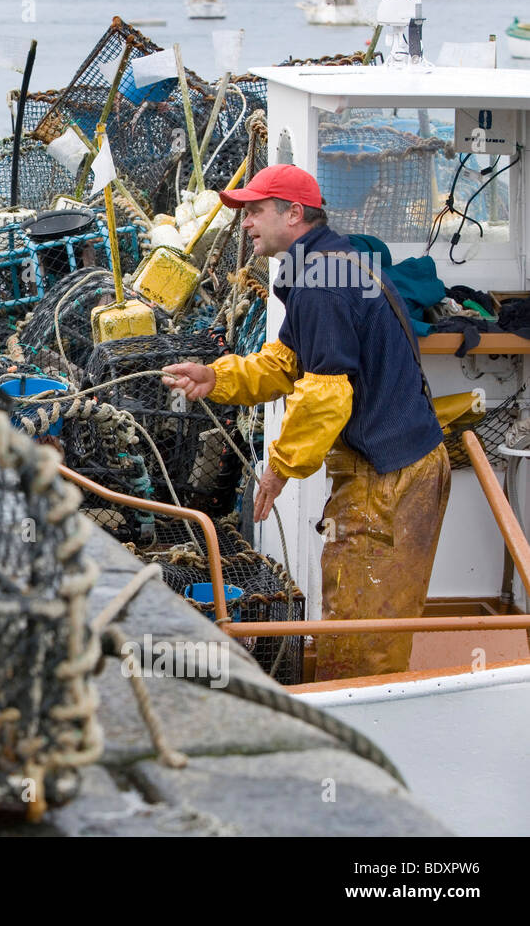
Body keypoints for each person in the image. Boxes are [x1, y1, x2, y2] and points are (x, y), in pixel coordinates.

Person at [163, 164, 450, 681]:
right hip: (401, 464)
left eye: (255, 210)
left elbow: (325, 395)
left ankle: (362, 729)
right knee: (363, 611)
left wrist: (277, 470)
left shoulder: (321, 282)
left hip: (387, 477)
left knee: (362, 629)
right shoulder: (331, 263)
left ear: (294, 214)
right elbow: (289, 362)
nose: (245, 223)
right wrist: (216, 376)